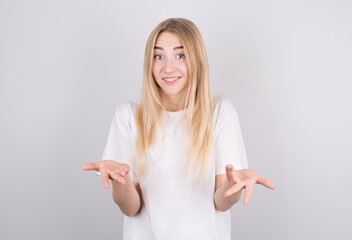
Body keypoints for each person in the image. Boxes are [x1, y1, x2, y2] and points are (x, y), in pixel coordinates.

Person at [82, 18, 275, 239]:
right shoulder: (128, 116)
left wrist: (233, 186)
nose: (168, 67)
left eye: (180, 55)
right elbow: (130, 208)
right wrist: (120, 184)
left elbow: (221, 202)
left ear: (197, 60)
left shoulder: (220, 113)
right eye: (158, 56)